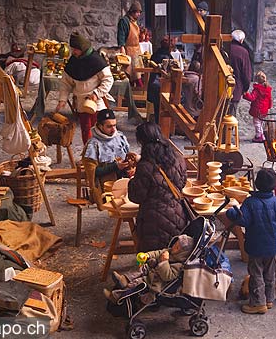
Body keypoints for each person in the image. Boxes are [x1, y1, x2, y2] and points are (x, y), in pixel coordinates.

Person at [226, 168, 276, 314]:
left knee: (256, 274)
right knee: (270, 273)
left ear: (256, 184)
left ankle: (258, 303)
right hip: (272, 247)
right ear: (274, 185)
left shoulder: (250, 203)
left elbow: (243, 220)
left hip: (255, 247)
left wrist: (232, 212)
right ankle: (269, 299)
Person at [128, 122, 188, 252]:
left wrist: (132, 180)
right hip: (178, 217)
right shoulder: (177, 158)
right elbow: (183, 183)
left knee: (153, 260)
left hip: (153, 222)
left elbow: (136, 196)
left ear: (142, 142)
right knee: (174, 257)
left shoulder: (145, 166)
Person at [55, 32, 114, 145]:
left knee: (100, 130)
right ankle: (88, 157)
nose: (73, 52)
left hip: (96, 103)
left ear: (82, 48)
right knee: (86, 131)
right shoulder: (73, 61)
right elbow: (66, 83)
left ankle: (102, 155)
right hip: (81, 103)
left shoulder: (97, 61)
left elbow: (108, 79)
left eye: (75, 49)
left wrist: (96, 94)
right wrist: (62, 99)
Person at [104, 234, 194, 303]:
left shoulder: (179, 265)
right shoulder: (169, 251)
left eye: (177, 247)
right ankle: (124, 279)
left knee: (136, 283)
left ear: (182, 254)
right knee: (140, 269)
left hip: (155, 281)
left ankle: (116, 297)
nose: (174, 247)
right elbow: (157, 253)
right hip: (152, 270)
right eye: (175, 244)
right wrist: (147, 255)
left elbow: (168, 276)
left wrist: (164, 261)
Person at [82, 109, 134, 206]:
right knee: (114, 205)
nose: (113, 129)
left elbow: (128, 155)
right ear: (100, 126)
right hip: (106, 187)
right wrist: (115, 166)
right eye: (109, 126)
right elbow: (93, 173)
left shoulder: (120, 138)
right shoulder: (93, 145)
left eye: (114, 125)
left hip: (124, 182)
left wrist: (130, 165)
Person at [146, 36, 173, 123]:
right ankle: (162, 126)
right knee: (161, 108)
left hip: (154, 83)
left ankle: (159, 124)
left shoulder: (156, 53)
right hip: (160, 84)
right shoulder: (166, 56)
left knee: (157, 108)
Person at [117, 1, 143, 86]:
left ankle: (138, 89)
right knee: (132, 73)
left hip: (137, 49)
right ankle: (134, 90)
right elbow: (121, 35)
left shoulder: (134, 21)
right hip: (130, 50)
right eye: (137, 12)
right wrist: (122, 47)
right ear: (133, 12)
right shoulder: (124, 21)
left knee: (138, 72)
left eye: (139, 12)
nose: (139, 14)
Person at [243, 71, 272, 143]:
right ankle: (261, 134)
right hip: (264, 109)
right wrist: (269, 106)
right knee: (261, 122)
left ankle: (259, 135)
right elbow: (270, 99)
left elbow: (252, 97)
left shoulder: (257, 89)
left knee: (257, 122)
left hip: (257, 109)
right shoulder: (267, 89)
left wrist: (245, 94)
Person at [229, 30, 253, 117]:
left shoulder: (225, 48)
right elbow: (246, 73)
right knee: (231, 116)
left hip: (221, 86)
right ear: (241, 40)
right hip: (236, 88)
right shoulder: (243, 52)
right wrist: (245, 88)